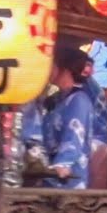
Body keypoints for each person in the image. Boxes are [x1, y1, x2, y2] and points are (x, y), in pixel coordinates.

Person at [39, 47, 94, 189]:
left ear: (65, 68)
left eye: (52, 64)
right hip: (48, 170)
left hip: (67, 175)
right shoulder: (57, 100)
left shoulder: (79, 100)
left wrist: (62, 164)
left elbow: (75, 135)